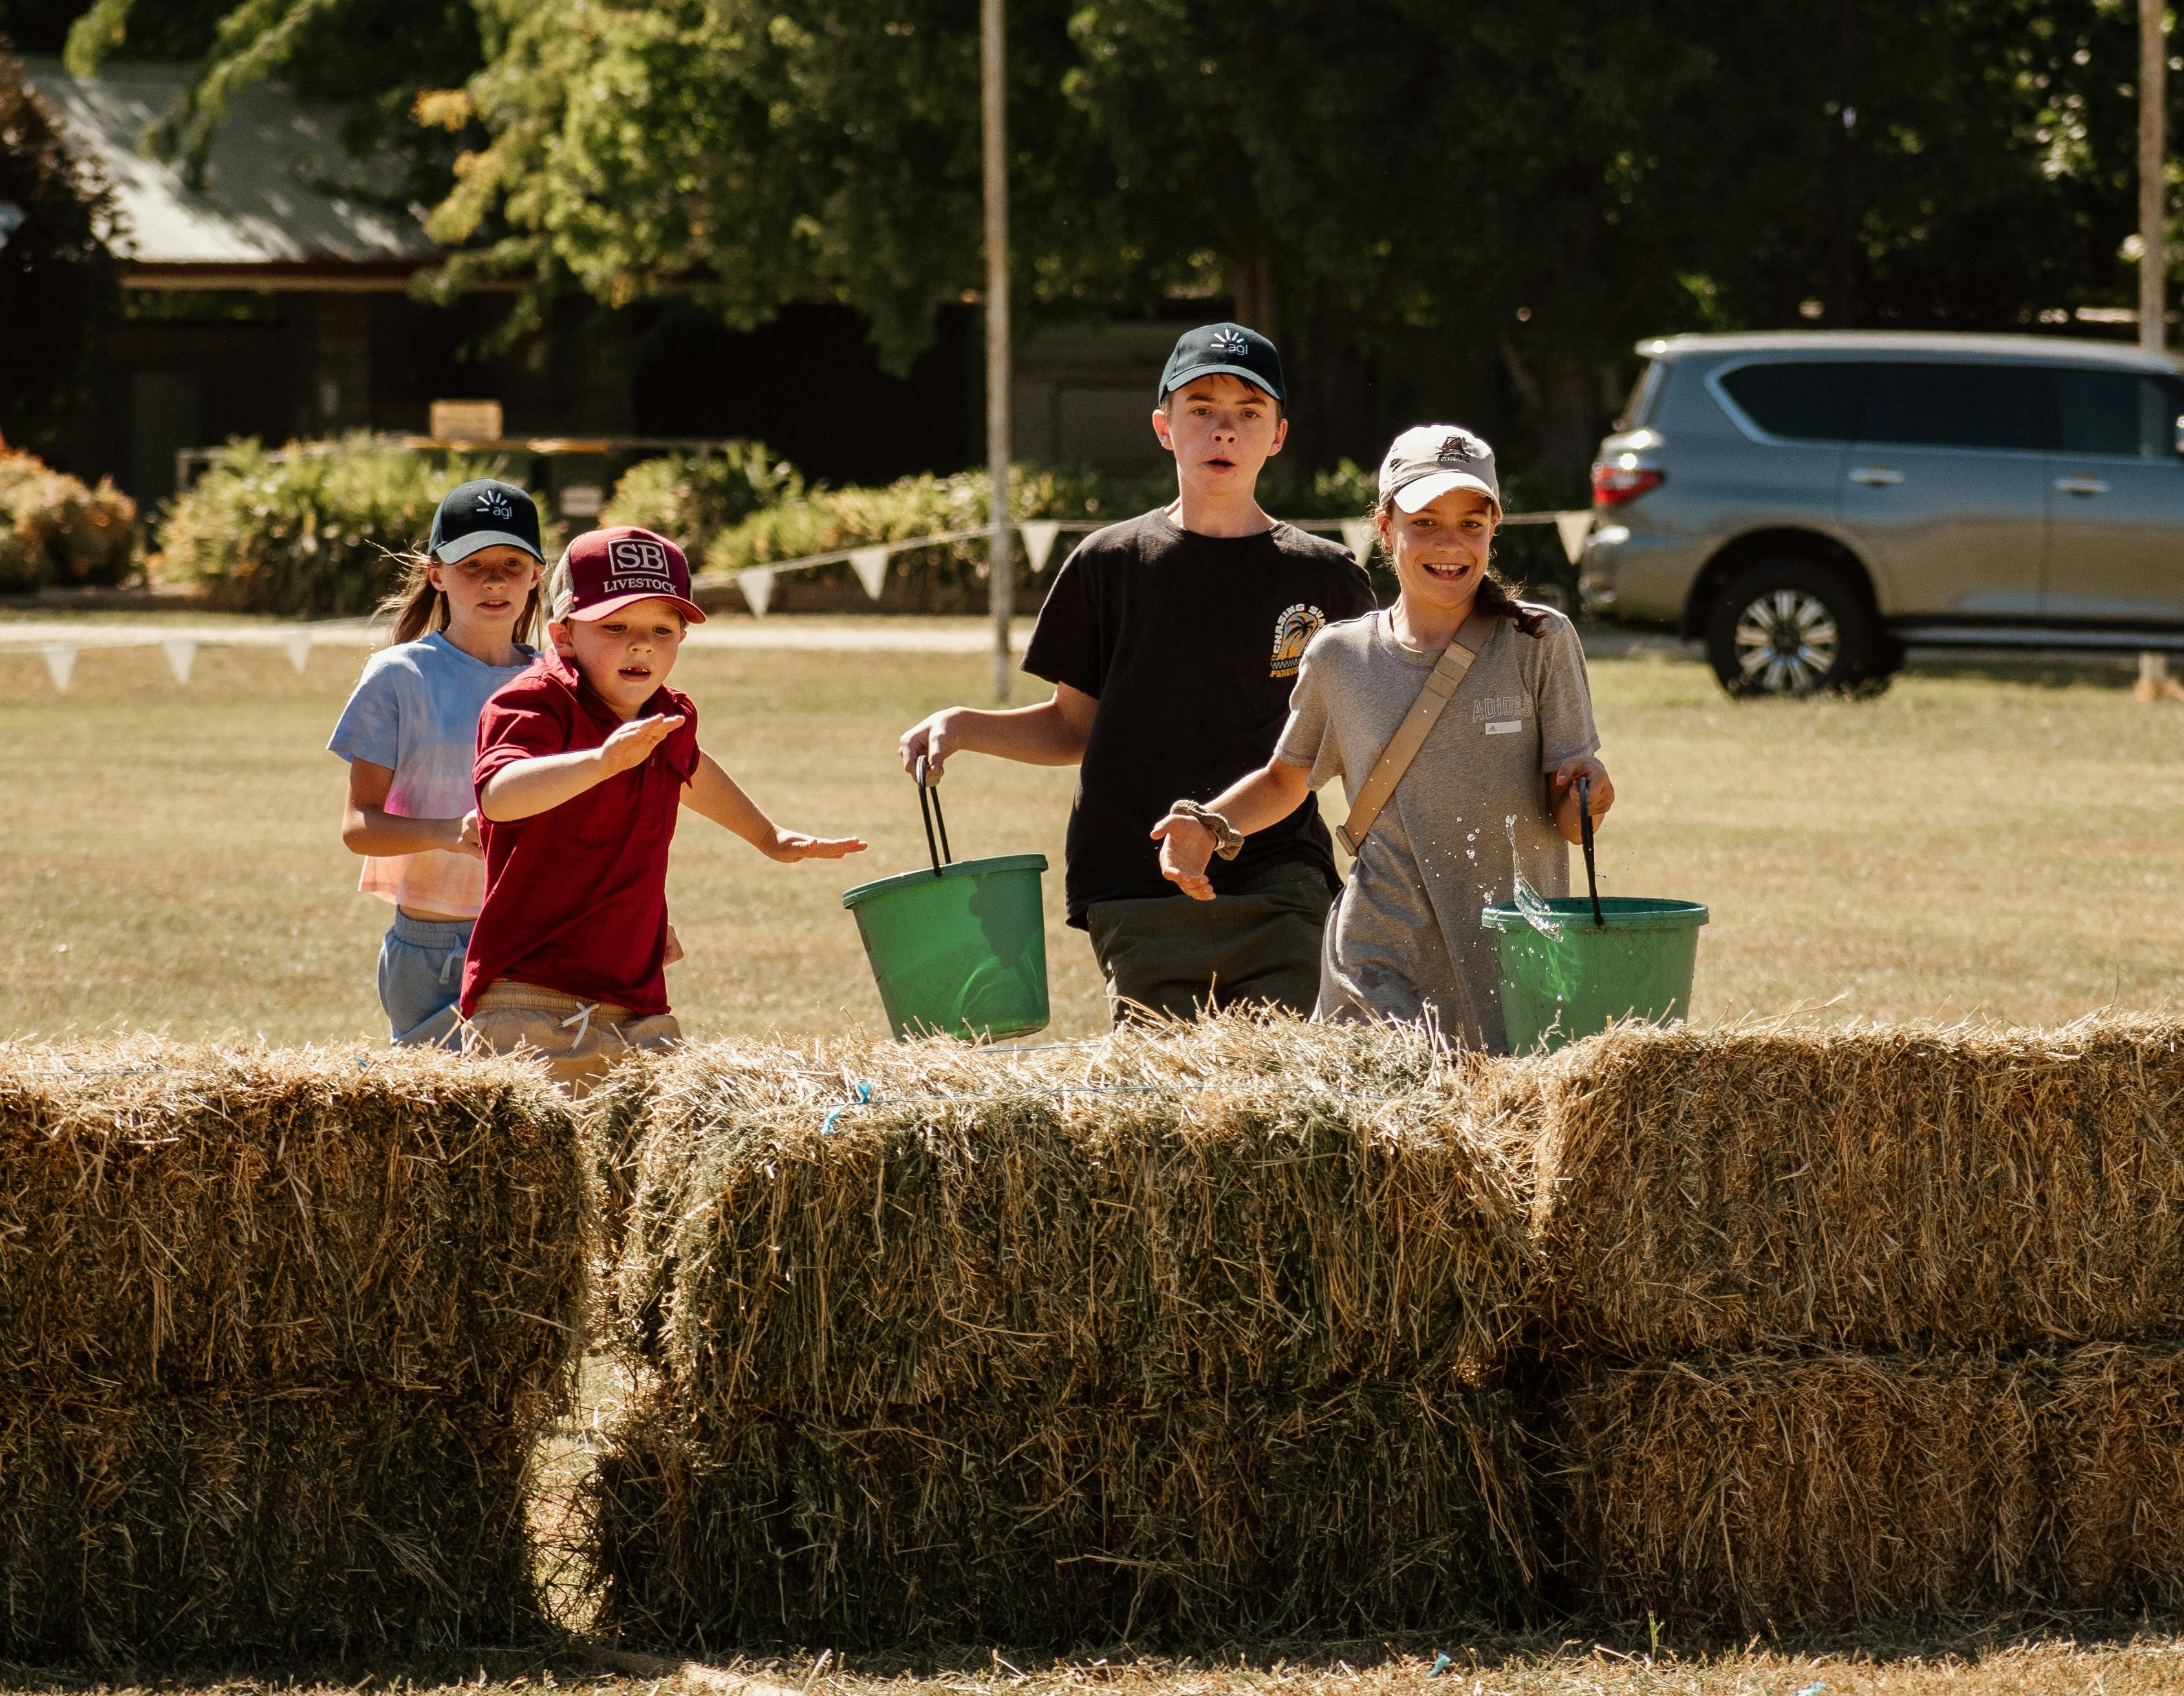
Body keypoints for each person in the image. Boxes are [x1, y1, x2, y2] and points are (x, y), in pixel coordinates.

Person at [898, 323, 1375, 1022]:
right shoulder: (1107, 564)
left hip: (1280, 884)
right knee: (1163, 1105)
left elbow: (1352, 741)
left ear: (1277, 435)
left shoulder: (1326, 577)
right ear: (1163, 426)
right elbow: (1074, 728)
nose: (1223, 432)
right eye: (1201, 410)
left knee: (1286, 1093)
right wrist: (963, 725)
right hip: (1135, 884)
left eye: (1248, 414)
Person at [1152, 426, 1614, 1052]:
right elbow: (1285, 780)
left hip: (1511, 962)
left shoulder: (1538, 642)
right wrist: (1207, 824)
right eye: (1423, 522)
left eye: (1470, 524)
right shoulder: (1339, 658)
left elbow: (1566, 817)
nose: (1449, 545)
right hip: (1375, 961)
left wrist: (1590, 797)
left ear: (1492, 531)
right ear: (1384, 527)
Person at [459, 525, 865, 1093]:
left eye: (661, 629)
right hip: (532, 996)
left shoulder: (667, 713)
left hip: (637, 998)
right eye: (615, 626)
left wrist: (769, 837)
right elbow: (500, 796)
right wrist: (601, 762)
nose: (641, 645)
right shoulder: (532, 701)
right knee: (537, 1176)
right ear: (564, 635)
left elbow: (690, 770)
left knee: (640, 1173)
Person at [329, 477, 548, 1047]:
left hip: (542, 936)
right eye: (471, 564)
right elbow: (359, 828)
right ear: (436, 574)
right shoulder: (399, 676)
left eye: (511, 562)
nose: (494, 580)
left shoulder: (560, 683)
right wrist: (450, 833)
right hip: (434, 947)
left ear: (536, 575)